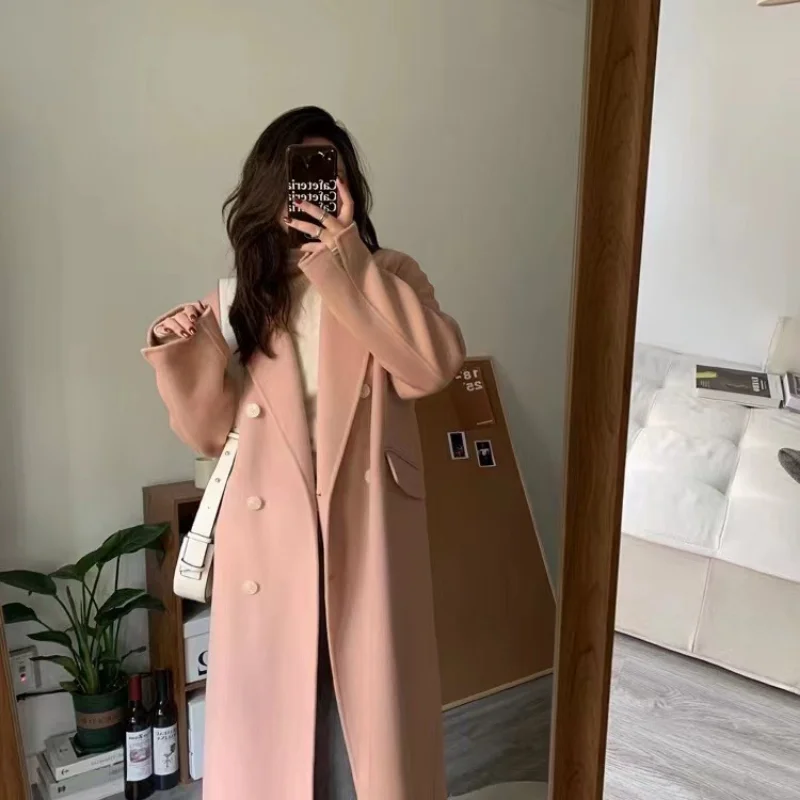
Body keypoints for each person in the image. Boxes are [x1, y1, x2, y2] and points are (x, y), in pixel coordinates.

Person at [142, 106, 465, 800]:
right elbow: (207, 434)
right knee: (284, 732)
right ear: (270, 188)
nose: (317, 188)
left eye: (330, 172)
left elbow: (430, 369)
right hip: (272, 541)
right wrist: (179, 351)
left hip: (367, 529)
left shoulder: (389, 273)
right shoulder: (242, 300)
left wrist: (347, 259)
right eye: (301, 175)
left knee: (368, 733)